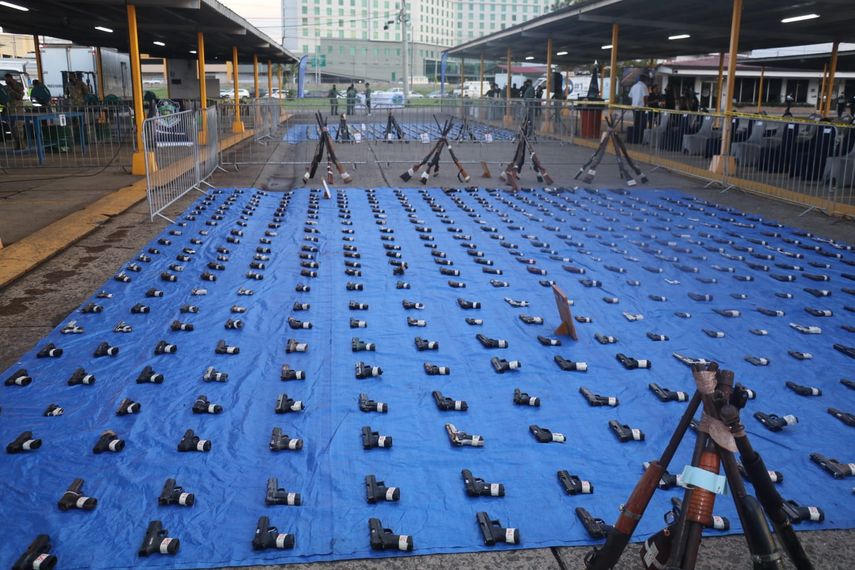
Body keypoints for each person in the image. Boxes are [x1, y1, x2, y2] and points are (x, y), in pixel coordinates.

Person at [4, 73, 25, 148]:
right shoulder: (6, 87)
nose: (6, 80)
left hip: (18, 109)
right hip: (10, 110)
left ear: (10, 78)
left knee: (18, 127)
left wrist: (11, 91)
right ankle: (17, 145)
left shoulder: (18, 86)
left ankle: (21, 145)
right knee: (12, 128)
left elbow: (20, 96)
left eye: (7, 79)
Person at [628, 74, 649, 143]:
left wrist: (633, 104)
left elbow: (630, 97)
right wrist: (645, 106)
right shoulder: (644, 86)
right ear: (644, 80)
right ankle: (640, 138)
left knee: (636, 123)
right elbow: (645, 97)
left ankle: (635, 138)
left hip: (634, 108)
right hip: (641, 108)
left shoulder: (634, 86)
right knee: (642, 124)